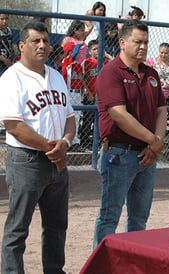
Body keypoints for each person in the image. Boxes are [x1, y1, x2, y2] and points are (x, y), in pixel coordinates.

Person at [0, 21, 76, 273]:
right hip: (27, 160)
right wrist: (51, 148)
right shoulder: (11, 78)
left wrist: (64, 143)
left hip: (58, 159)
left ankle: (54, 270)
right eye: (35, 40)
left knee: (57, 226)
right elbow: (14, 125)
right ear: (22, 46)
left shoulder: (55, 75)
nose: (43, 45)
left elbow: (70, 117)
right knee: (18, 228)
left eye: (45, 40)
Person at [93, 20, 167, 249]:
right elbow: (119, 115)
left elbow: (161, 110)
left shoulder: (151, 73)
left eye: (146, 42)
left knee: (139, 217)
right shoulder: (110, 72)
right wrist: (153, 141)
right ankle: (101, 265)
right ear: (123, 43)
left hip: (147, 155)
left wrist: (157, 143)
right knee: (109, 216)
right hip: (119, 154)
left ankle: (133, 263)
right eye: (137, 42)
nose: (143, 46)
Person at [80, 39, 109, 150]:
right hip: (90, 95)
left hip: (102, 96)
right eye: (94, 49)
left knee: (102, 119)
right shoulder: (87, 62)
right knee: (88, 119)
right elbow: (82, 77)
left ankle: (100, 140)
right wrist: (87, 90)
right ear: (89, 51)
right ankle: (84, 141)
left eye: (99, 49)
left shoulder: (105, 62)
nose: (97, 51)